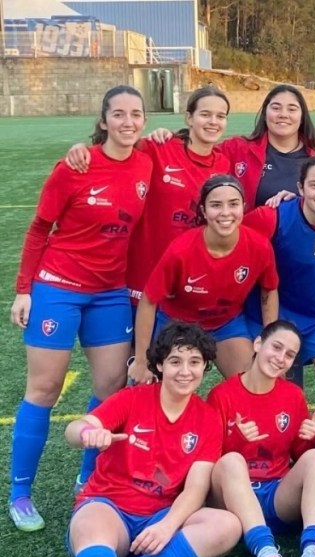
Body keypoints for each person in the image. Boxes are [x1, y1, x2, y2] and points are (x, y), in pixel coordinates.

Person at [62, 86, 233, 491]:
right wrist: (81, 149)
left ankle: (164, 470)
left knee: (173, 386)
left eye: (219, 116)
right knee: (126, 384)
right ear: (187, 116)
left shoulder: (225, 161)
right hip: (143, 290)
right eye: (204, 113)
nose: (211, 122)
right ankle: (90, 470)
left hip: (191, 293)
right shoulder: (158, 149)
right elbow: (118, 146)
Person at [8, 86, 152, 531]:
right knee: (45, 389)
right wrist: (23, 289)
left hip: (110, 293)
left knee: (110, 390)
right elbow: (38, 228)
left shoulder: (147, 160)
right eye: (119, 114)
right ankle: (20, 493)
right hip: (58, 287)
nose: (128, 122)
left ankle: (88, 480)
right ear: (104, 120)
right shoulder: (76, 166)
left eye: (136, 114)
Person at [62, 322, 241, 557]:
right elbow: (74, 430)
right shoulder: (132, 399)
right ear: (159, 364)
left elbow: (197, 488)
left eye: (195, 362)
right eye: (175, 361)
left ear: (205, 367)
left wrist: (168, 525)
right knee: (90, 523)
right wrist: (89, 433)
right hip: (110, 507)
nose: (185, 371)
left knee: (227, 526)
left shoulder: (207, 418)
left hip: (158, 515)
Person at [207, 321, 315, 557]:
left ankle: (311, 550)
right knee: (231, 461)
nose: (281, 358)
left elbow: (301, 456)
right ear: (258, 344)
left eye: (289, 355)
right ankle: (265, 550)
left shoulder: (293, 395)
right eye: (276, 347)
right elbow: (208, 459)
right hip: (232, 500)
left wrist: (308, 437)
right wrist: (238, 440)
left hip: (275, 496)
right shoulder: (222, 395)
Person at [244, 157, 315, 449]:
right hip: (276, 314)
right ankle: (282, 450)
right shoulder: (273, 217)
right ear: (299, 188)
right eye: (314, 185)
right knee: (282, 390)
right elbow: (234, 241)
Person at [130, 175, 279, 383]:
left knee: (255, 383)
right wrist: (140, 360)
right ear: (203, 210)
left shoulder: (259, 246)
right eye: (216, 205)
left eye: (233, 204)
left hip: (226, 324)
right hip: (177, 323)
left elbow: (269, 289)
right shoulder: (181, 250)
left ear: (243, 207)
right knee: (153, 393)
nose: (226, 213)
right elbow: (149, 300)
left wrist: (269, 337)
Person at [149, 84, 315, 207]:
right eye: (276, 107)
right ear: (265, 113)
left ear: (302, 116)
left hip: (302, 251)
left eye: (292, 109)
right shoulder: (239, 148)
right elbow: (200, 149)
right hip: (252, 250)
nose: (283, 115)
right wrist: (172, 138)